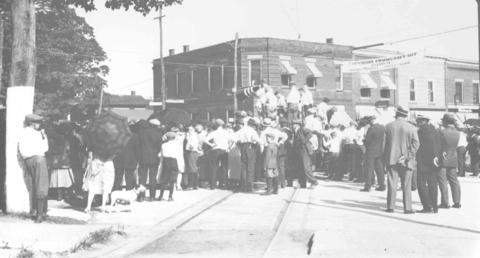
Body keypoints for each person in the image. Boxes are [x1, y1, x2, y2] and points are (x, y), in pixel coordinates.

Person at [383, 106, 419, 214]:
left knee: (392, 184)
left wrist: (384, 158)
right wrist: (406, 156)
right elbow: (416, 144)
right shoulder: (411, 127)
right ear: (405, 115)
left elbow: (383, 145)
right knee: (406, 185)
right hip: (406, 160)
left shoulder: (388, 126)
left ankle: (390, 207)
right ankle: (407, 208)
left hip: (392, 159)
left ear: (396, 114)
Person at [19, 114, 49, 223]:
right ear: (34, 124)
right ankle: (40, 215)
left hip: (28, 160)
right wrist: (44, 137)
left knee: (34, 184)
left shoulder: (23, 132)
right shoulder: (37, 134)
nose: (39, 125)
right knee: (41, 185)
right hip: (39, 159)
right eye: (38, 123)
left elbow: (22, 149)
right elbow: (45, 148)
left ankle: (37, 210)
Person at [414, 115, 441, 213]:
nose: (417, 122)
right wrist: (436, 157)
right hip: (433, 162)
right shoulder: (435, 131)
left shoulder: (420, 132)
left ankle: (427, 206)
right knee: (433, 183)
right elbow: (437, 145)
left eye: (419, 120)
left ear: (424, 121)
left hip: (423, 161)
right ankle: (435, 206)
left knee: (421, 184)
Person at [438, 113, 462, 209]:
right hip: (453, 157)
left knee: (443, 181)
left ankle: (445, 202)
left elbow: (439, 145)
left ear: (445, 122)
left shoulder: (442, 132)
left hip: (443, 159)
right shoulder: (457, 132)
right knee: (454, 180)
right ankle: (457, 202)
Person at [137, 119, 163, 202]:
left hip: (143, 157)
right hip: (154, 158)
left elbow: (138, 145)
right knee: (153, 177)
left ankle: (141, 196)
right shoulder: (158, 134)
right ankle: (152, 196)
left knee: (142, 177)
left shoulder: (141, 133)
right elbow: (160, 147)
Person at [47, 127, 74, 201]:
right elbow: (68, 151)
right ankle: (69, 194)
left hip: (55, 163)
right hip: (65, 163)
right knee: (67, 179)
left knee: (57, 179)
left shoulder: (51, 142)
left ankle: (59, 195)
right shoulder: (65, 142)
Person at [235, 117, 260, 192]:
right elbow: (256, 139)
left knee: (243, 166)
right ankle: (249, 186)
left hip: (243, 146)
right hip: (251, 147)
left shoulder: (241, 130)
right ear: (252, 125)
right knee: (250, 167)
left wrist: (239, 144)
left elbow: (233, 138)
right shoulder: (252, 131)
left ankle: (243, 185)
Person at [361, 116, 386, 192]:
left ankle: (368, 186)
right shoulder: (382, 127)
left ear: (371, 121)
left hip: (371, 152)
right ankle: (382, 185)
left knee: (369, 169)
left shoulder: (371, 129)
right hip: (379, 151)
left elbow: (367, 141)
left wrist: (363, 140)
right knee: (379, 169)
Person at [291, 118, 318, 189]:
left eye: (294, 124)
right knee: (300, 167)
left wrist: (304, 141)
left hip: (304, 150)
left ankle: (313, 181)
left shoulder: (301, 129)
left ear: (297, 124)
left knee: (306, 167)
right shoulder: (295, 131)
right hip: (299, 151)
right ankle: (302, 183)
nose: (293, 126)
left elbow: (310, 134)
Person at [204, 119, 230, 190]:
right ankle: (225, 184)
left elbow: (205, 139)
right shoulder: (226, 132)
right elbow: (232, 140)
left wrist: (211, 144)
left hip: (215, 150)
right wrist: (228, 147)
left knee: (214, 168)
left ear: (216, 125)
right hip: (224, 150)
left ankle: (213, 185)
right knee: (224, 167)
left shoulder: (214, 133)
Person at [113, 127, 140, 191]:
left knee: (118, 177)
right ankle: (128, 192)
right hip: (131, 159)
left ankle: (116, 192)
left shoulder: (118, 135)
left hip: (119, 157)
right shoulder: (135, 136)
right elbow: (137, 149)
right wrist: (137, 159)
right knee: (129, 178)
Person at [158, 132, 179, 201]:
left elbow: (160, 154)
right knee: (172, 180)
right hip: (173, 161)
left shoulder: (164, 145)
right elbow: (178, 155)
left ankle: (161, 196)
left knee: (164, 179)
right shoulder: (176, 145)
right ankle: (170, 196)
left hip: (166, 161)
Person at [184, 125, 200, 191]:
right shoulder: (193, 136)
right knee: (194, 169)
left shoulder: (193, 136)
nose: (189, 131)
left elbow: (192, 145)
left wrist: (189, 149)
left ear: (194, 130)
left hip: (191, 152)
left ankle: (190, 185)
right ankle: (195, 185)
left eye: (190, 129)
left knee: (191, 170)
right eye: (188, 129)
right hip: (193, 153)